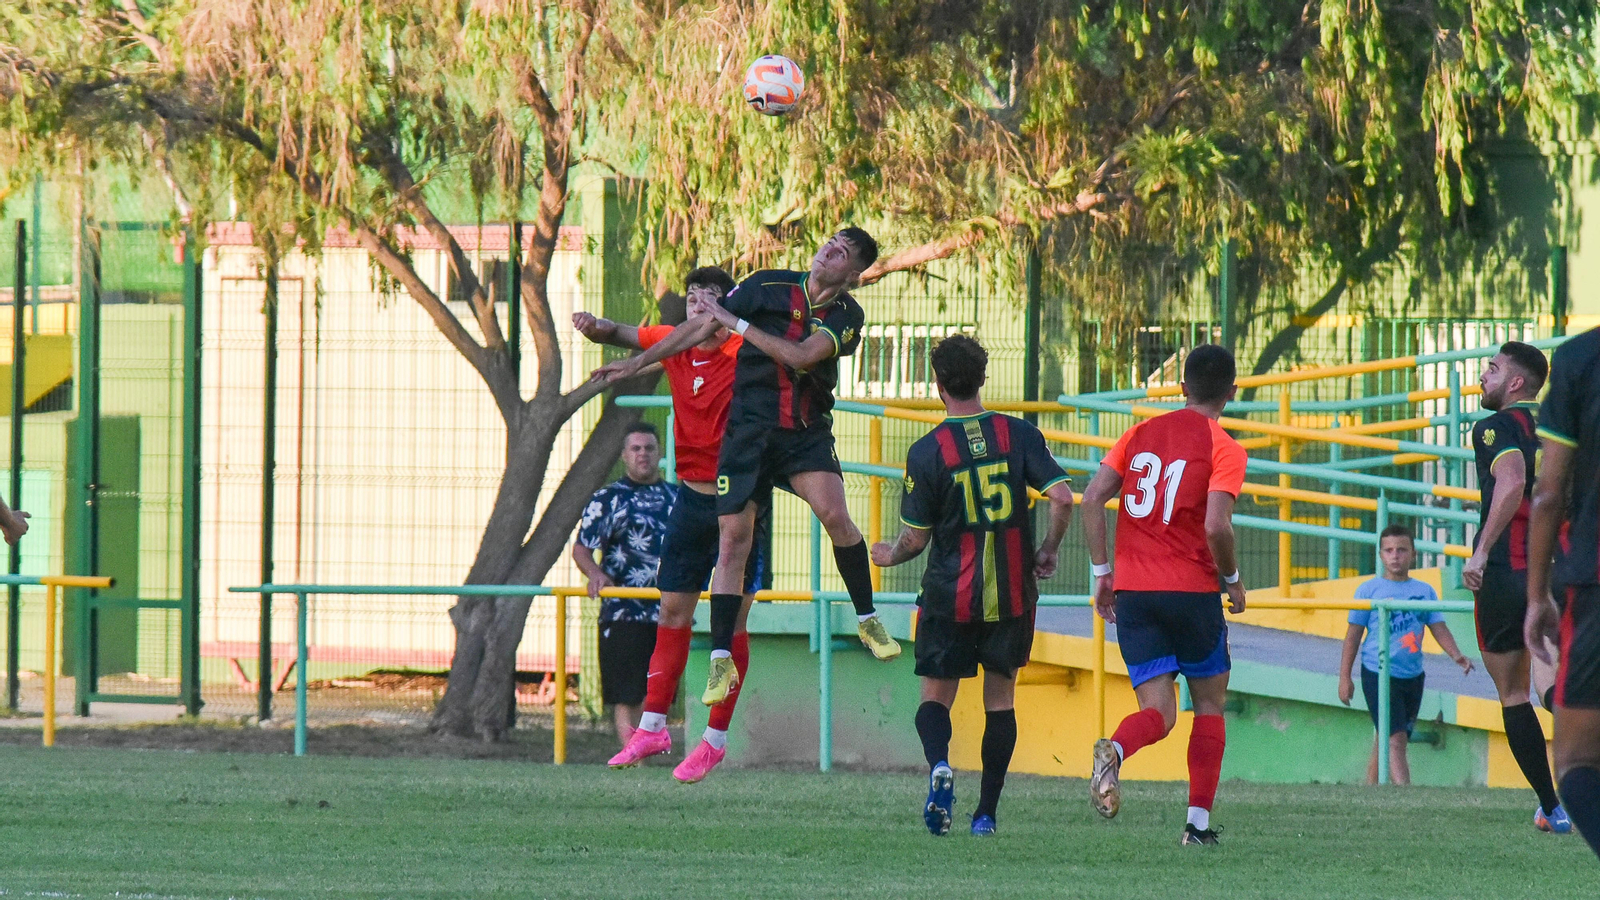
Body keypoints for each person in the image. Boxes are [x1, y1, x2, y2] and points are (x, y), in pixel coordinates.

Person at [595, 228, 900, 713]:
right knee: (733, 538)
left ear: (853, 274)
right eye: (831, 242)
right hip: (750, 434)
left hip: (803, 432)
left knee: (835, 514)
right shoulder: (767, 284)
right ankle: (720, 657)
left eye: (845, 251)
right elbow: (698, 329)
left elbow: (800, 357)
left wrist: (737, 323)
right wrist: (636, 366)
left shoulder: (846, 315)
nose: (831, 248)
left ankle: (866, 617)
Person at [574, 267, 773, 783]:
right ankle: (654, 726)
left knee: (731, 624)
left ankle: (714, 740)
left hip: (741, 502)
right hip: (690, 497)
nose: (697, 309)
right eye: (691, 300)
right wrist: (598, 326)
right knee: (672, 609)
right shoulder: (674, 345)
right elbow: (626, 333)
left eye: (709, 300)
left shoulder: (746, 352)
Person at [871, 335, 1074, 837]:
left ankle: (941, 765)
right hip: (1012, 597)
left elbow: (915, 541)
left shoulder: (926, 452)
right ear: (984, 378)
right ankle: (985, 815)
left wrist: (888, 553)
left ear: (937, 384)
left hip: (948, 597)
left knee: (934, 699)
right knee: (1000, 702)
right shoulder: (1020, 434)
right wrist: (1046, 550)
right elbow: (1065, 498)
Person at [1078, 344, 1246, 846]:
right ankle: (1196, 828)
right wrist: (1233, 579)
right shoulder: (1225, 447)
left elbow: (1091, 499)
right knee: (1209, 706)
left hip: (1134, 592)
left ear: (1181, 388)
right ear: (1232, 393)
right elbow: (1217, 525)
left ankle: (1117, 751)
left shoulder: (1139, 433)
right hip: (1192, 592)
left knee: (1159, 712)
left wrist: (1102, 572)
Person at [1462, 342, 1569, 830]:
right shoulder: (1563, 426)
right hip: (1565, 571)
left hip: (1509, 572)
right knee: (1558, 682)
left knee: (1512, 693)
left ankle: (1554, 807)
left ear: (1516, 382)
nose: (1484, 376)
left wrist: (1481, 551)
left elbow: (1510, 482)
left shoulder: (1495, 427)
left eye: (1492, 368)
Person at [1525, 326, 1600, 859]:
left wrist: (1536, 597)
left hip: (1594, 581)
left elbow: (1548, 491)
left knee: (1575, 764)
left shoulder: (1579, 359)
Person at [1338, 525, 1474, 785]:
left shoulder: (1424, 591)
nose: (1395, 556)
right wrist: (1345, 677)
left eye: (1401, 550)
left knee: (1387, 735)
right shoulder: (1368, 591)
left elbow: (1437, 626)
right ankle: (1406, 795)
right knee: (1396, 738)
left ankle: (1369, 789)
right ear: (1380, 555)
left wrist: (1457, 655)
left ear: (1413, 553)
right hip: (1378, 672)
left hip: (1412, 675)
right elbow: (1352, 636)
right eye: (1388, 550)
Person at [572, 423, 676, 746]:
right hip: (622, 612)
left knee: (658, 695)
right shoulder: (607, 499)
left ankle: (645, 750)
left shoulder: (678, 498)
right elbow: (581, 549)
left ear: (659, 454)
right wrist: (595, 574)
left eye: (649, 448)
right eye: (636, 449)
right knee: (626, 694)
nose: (643, 454)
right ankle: (632, 759)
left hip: (668, 613)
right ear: (624, 456)